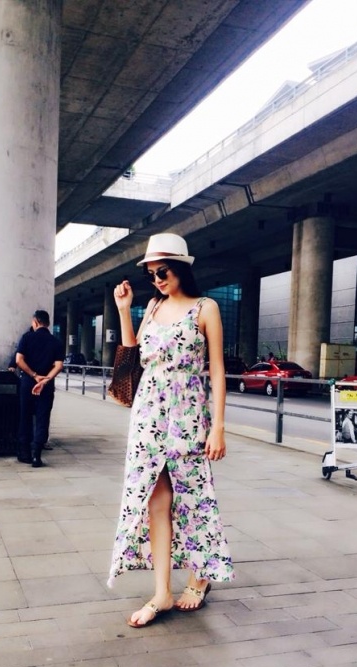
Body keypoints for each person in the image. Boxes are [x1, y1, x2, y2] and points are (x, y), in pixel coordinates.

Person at [108, 232, 234, 628]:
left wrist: (218, 427)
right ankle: (161, 593)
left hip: (187, 415)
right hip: (148, 415)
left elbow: (217, 371)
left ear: (180, 268)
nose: (157, 279)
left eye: (162, 271)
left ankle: (200, 576)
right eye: (151, 274)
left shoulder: (205, 308)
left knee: (194, 497)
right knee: (154, 500)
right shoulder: (152, 306)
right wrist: (124, 310)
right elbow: (134, 356)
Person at [15, 310, 64, 467]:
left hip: (28, 383)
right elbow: (59, 365)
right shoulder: (56, 341)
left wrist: (34, 375)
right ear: (48, 323)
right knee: (43, 417)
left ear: (35, 322)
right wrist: (45, 380)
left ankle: (25, 453)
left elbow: (19, 360)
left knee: (25, 416)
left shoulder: (27, 337)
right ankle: (37, 455)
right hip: (46, 386)